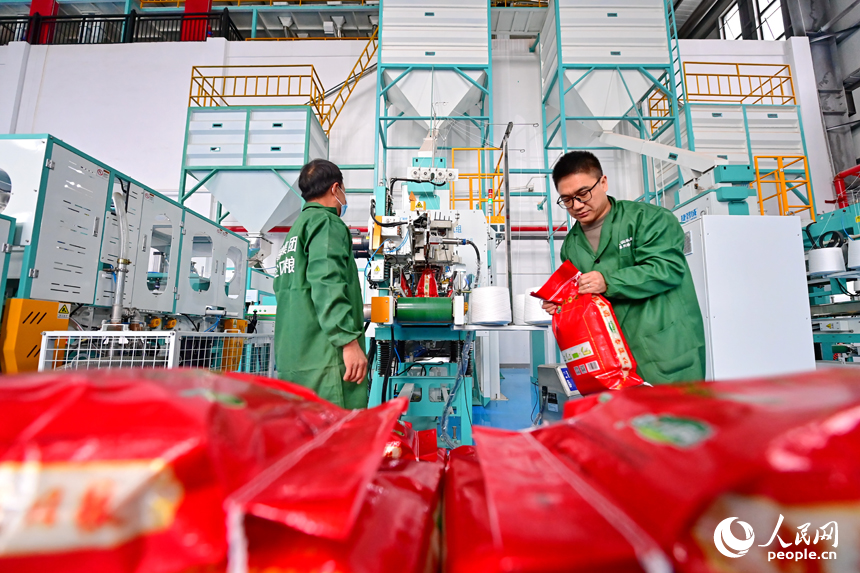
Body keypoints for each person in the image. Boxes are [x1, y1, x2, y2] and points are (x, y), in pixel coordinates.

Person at [542, 151, 706, 383]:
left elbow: (667, 268)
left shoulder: (648, 219)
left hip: (666, 349)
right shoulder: (571, 245)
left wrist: (607, 281)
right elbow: (583, 294)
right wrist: (561, 300)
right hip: (611, 357)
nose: (577, 205)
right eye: (567, 199)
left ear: (604, 182)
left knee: (674, 416)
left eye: (583, 193)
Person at [273, 159, 368, 408]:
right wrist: (348, 342)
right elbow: (327, 281)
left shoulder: (296, 230)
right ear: (335, 189)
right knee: (336, 435)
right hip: (327, 358)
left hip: (295, 359)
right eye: (343, 191)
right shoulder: (326, 223)